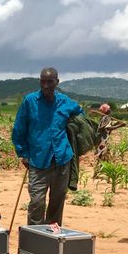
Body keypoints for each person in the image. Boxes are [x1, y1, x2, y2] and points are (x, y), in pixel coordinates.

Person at [12, 67, 84, 225]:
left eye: (49, 82)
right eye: (42, 81)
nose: (45, 85)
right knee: (37, 201)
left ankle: (52, 237)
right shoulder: (30, 101)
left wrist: (73, 128)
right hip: (38, 160)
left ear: (57, 82)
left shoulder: (65, 101)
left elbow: (80, 115)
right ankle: (34, 236)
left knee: (57, 202)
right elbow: (19, 129)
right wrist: (23, 154)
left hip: (62, 159)